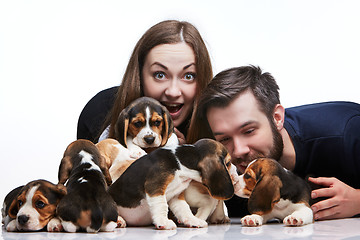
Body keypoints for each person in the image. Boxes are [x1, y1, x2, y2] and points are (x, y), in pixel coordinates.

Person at [187, 65, 360, 221]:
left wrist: (358, 201)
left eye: (248, 131)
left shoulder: (347, 133)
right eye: (225, 139)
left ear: (277, 118)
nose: (239, 151)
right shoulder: (230, 168)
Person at [77, 20, 213, 144]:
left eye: (188, 76)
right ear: (139, 75)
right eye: (160, 75)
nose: (172, 92)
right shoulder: (99, 112)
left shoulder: (217, 125)